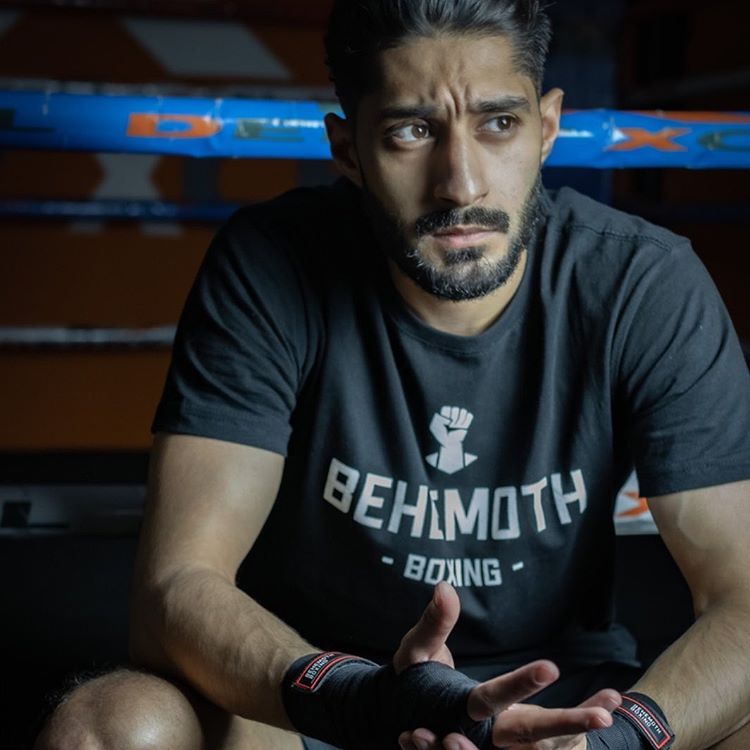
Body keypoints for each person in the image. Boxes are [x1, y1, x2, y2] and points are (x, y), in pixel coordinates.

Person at [35, 1, 750, 749]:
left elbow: (744, 598)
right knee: (111, 730)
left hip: (568, 711)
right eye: (412, 130)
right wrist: (359, 698)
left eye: (498, 124)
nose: (461, 183)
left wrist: (611, 742)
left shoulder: (642, 282)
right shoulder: (270, 264)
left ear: (547, 128)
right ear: (347, 149)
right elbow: (174, 588)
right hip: (326, 699)